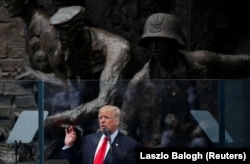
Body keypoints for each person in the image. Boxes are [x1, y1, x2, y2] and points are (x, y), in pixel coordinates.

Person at [59, 105, 138, 164]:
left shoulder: (130, 144)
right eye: (100, 118)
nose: (102, 121)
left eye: (106, 117)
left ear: (117, 121)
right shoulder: (89, 139)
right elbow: (78, 161)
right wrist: (69, 145)